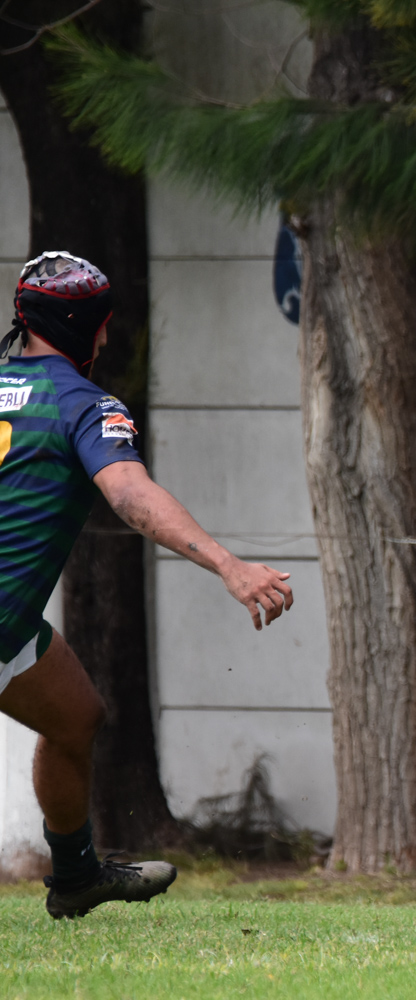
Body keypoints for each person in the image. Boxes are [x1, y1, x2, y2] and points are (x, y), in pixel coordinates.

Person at [0, 251, 295, 919]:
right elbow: (130, 495)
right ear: (80, 327)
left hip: (9, 625)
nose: (104, 340)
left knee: (75, 715)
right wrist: (229, 564)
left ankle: (75, 876)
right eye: (101, 325)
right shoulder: (83, 404)